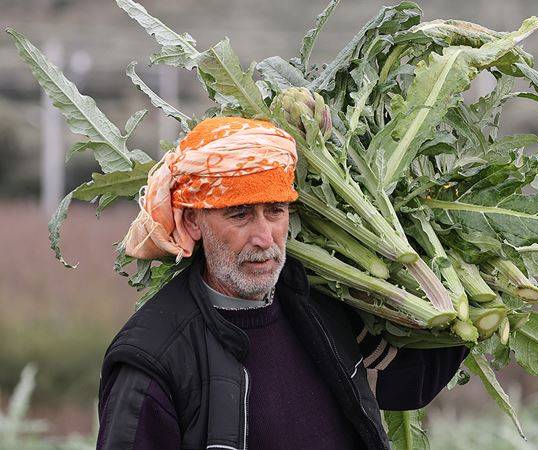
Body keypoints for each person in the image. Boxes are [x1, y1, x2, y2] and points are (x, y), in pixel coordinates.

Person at [96, 117, 468, 450]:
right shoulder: (153, 359)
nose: (264, 237)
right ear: (194, 223)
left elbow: (404, 380)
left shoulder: (317, 306)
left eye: (275, 211)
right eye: (240, 214)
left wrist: (469, 291)